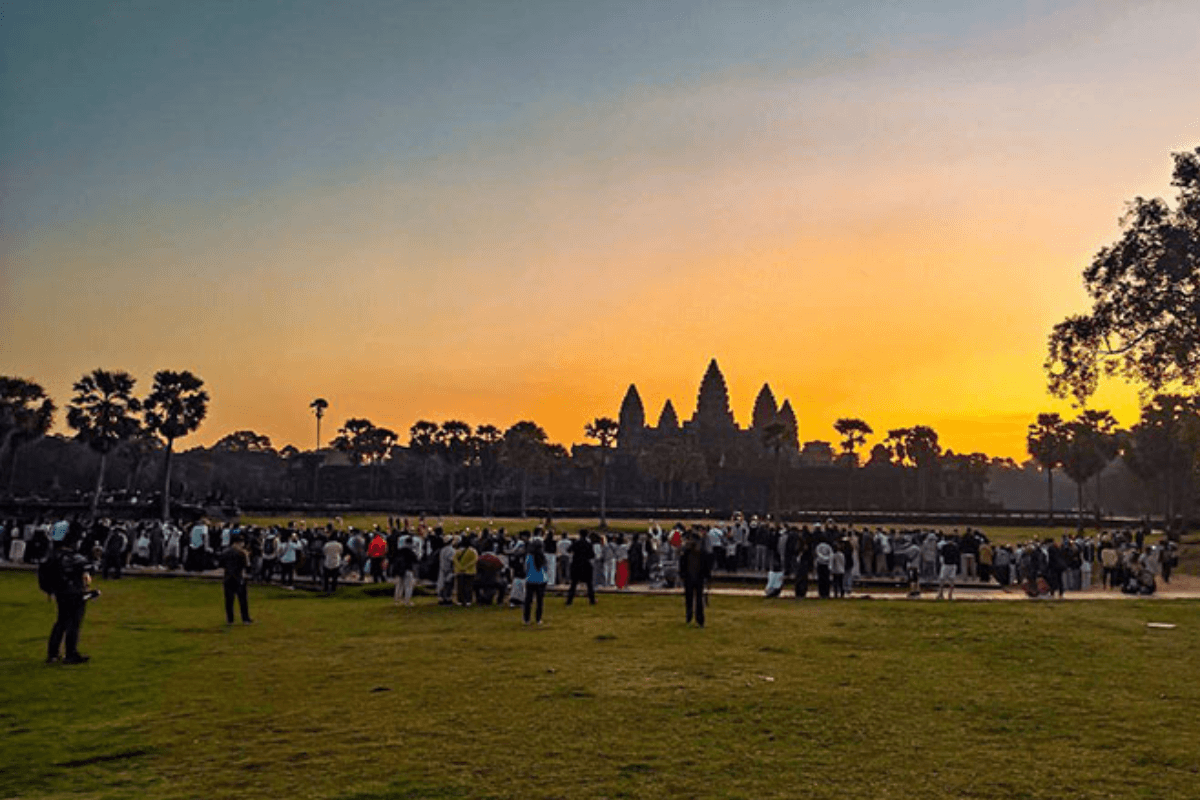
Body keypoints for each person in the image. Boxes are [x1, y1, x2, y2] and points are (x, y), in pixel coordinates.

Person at [46, 528, 95, 664]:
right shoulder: (76, 558)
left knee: (61, 622)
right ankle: (70, 653)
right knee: (74, 623)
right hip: (75, 593)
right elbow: (88, 572)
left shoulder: (55, 556)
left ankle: (53, 653)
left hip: (60, 592)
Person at [220, 532, 253, 624]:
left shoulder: (225, 552)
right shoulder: (241, 553)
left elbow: (221, 564)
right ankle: (245, 618)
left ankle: (230, 619)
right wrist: (247, 557)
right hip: (239, 578)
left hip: (227, 577)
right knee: (242, 600)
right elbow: (247, 567)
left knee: (229, 600)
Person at [679, 531, 709, 627]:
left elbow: (682, 564)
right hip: (697, 577)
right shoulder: (701, 550)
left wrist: (682, 575)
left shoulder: (686, 550)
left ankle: (690, 618)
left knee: (690, 599)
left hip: (690, 577)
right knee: (698, 599)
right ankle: (699, 620)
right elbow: (707, 565)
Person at [565, 530, 596, 606]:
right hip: (586, 564)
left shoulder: (576, 543)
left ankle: (569, 601)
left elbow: (568, 550)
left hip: (576, 564)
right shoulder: (589, 544)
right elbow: (592, 555)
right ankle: (592, 600)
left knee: (573, 584)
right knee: (589, 584)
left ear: (580, 535)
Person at [523, 538, 548, 625]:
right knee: (540, 601)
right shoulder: (543, 557)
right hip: (541, 580)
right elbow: (546, 569)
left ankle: (527, 619)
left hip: (530, 579)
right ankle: (538, 619)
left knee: (528, 600)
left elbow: (526, 568)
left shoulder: (529, 557)